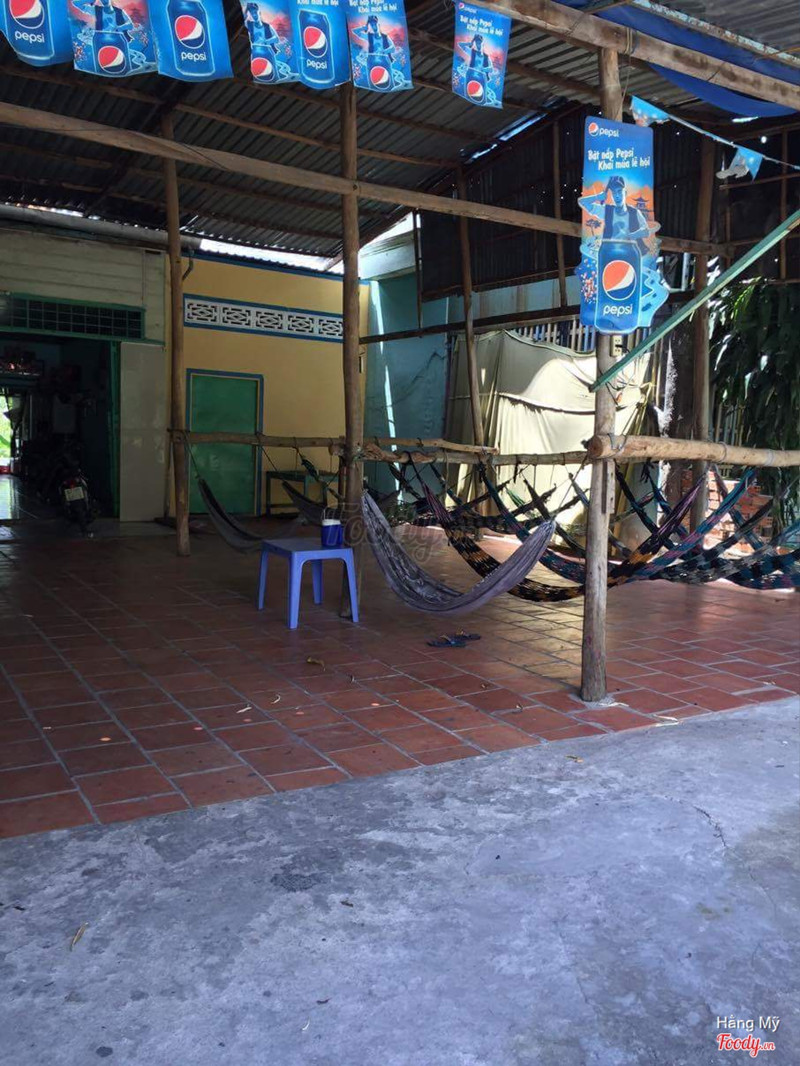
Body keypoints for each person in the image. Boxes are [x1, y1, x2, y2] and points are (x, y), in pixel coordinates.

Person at [579, 175, 655, 247]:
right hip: (609, 251)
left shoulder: (635, 212)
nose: (617, 196)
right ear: (612, 196)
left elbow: (646, 231)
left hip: (630, 251)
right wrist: (597, 197)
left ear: (625, 193)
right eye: (614, 193)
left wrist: (632, 235)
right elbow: (582, 202)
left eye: (619, 191)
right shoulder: (606, 211)